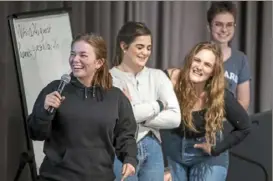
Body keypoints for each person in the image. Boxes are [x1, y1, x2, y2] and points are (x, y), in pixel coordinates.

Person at [27, 33, 137, 181]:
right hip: (56, 177)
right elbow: (35, 133)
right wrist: (44, 111)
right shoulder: (56, 89)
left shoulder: (115, 97)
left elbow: (126, 136)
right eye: (73, 54)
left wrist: (130, 159)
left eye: (83, 55)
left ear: (99, 63)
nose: (75, 60)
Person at [161, 41, 251, 181]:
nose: (199, 67)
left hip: (206, 156)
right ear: (190, 60)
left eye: (207, 65)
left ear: (213, 72)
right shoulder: (170, 79)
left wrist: (216, 149)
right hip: (174, 152)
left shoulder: (219, 95)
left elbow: (244, 127)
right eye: (197, 60)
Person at [110, 21, 181, 181]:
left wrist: (137, 116)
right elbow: (117, 119)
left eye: (148, 48)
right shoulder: (109, 79)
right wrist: (159, 105)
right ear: (124, 46)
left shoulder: (158, 76)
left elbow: (175, 118)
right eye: (140, 47)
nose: (145, 52)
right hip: (121, 151)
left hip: (153, 147)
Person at [207, 1, 251, 110]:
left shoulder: (241, 59)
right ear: (209, 26)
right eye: (218, 24)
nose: (224, 30)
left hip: (228, 123)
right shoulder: (198, 55)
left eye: (229, 25)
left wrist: (225, 121)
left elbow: (243, 102)